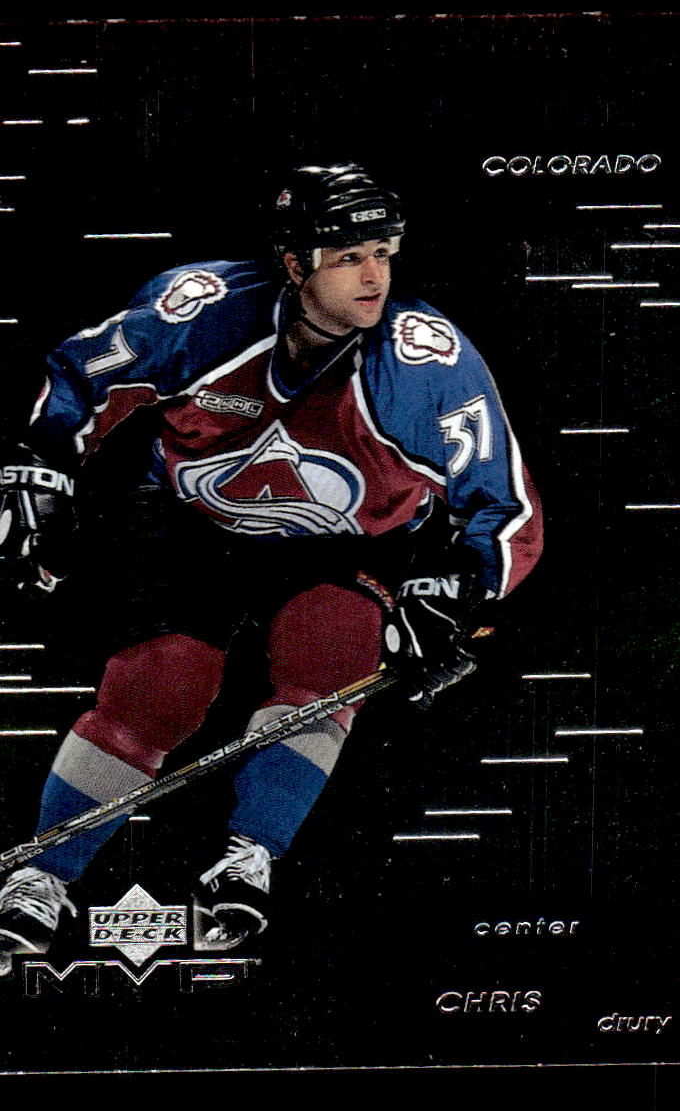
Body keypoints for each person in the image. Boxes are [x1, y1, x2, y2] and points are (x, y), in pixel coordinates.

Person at [0, 163, 543, 972]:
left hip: (348, 542)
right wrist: (39, 460)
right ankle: (42, 874)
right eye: (348, 256)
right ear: (295, 263)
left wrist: (464, 586)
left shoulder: (429, 363)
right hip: (193, 523)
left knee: (330, 658)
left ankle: (250, 852)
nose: (374, 276)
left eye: (383, 253)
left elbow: (508, 506)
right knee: (160, 686)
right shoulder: (204, 310)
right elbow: (79, 372)